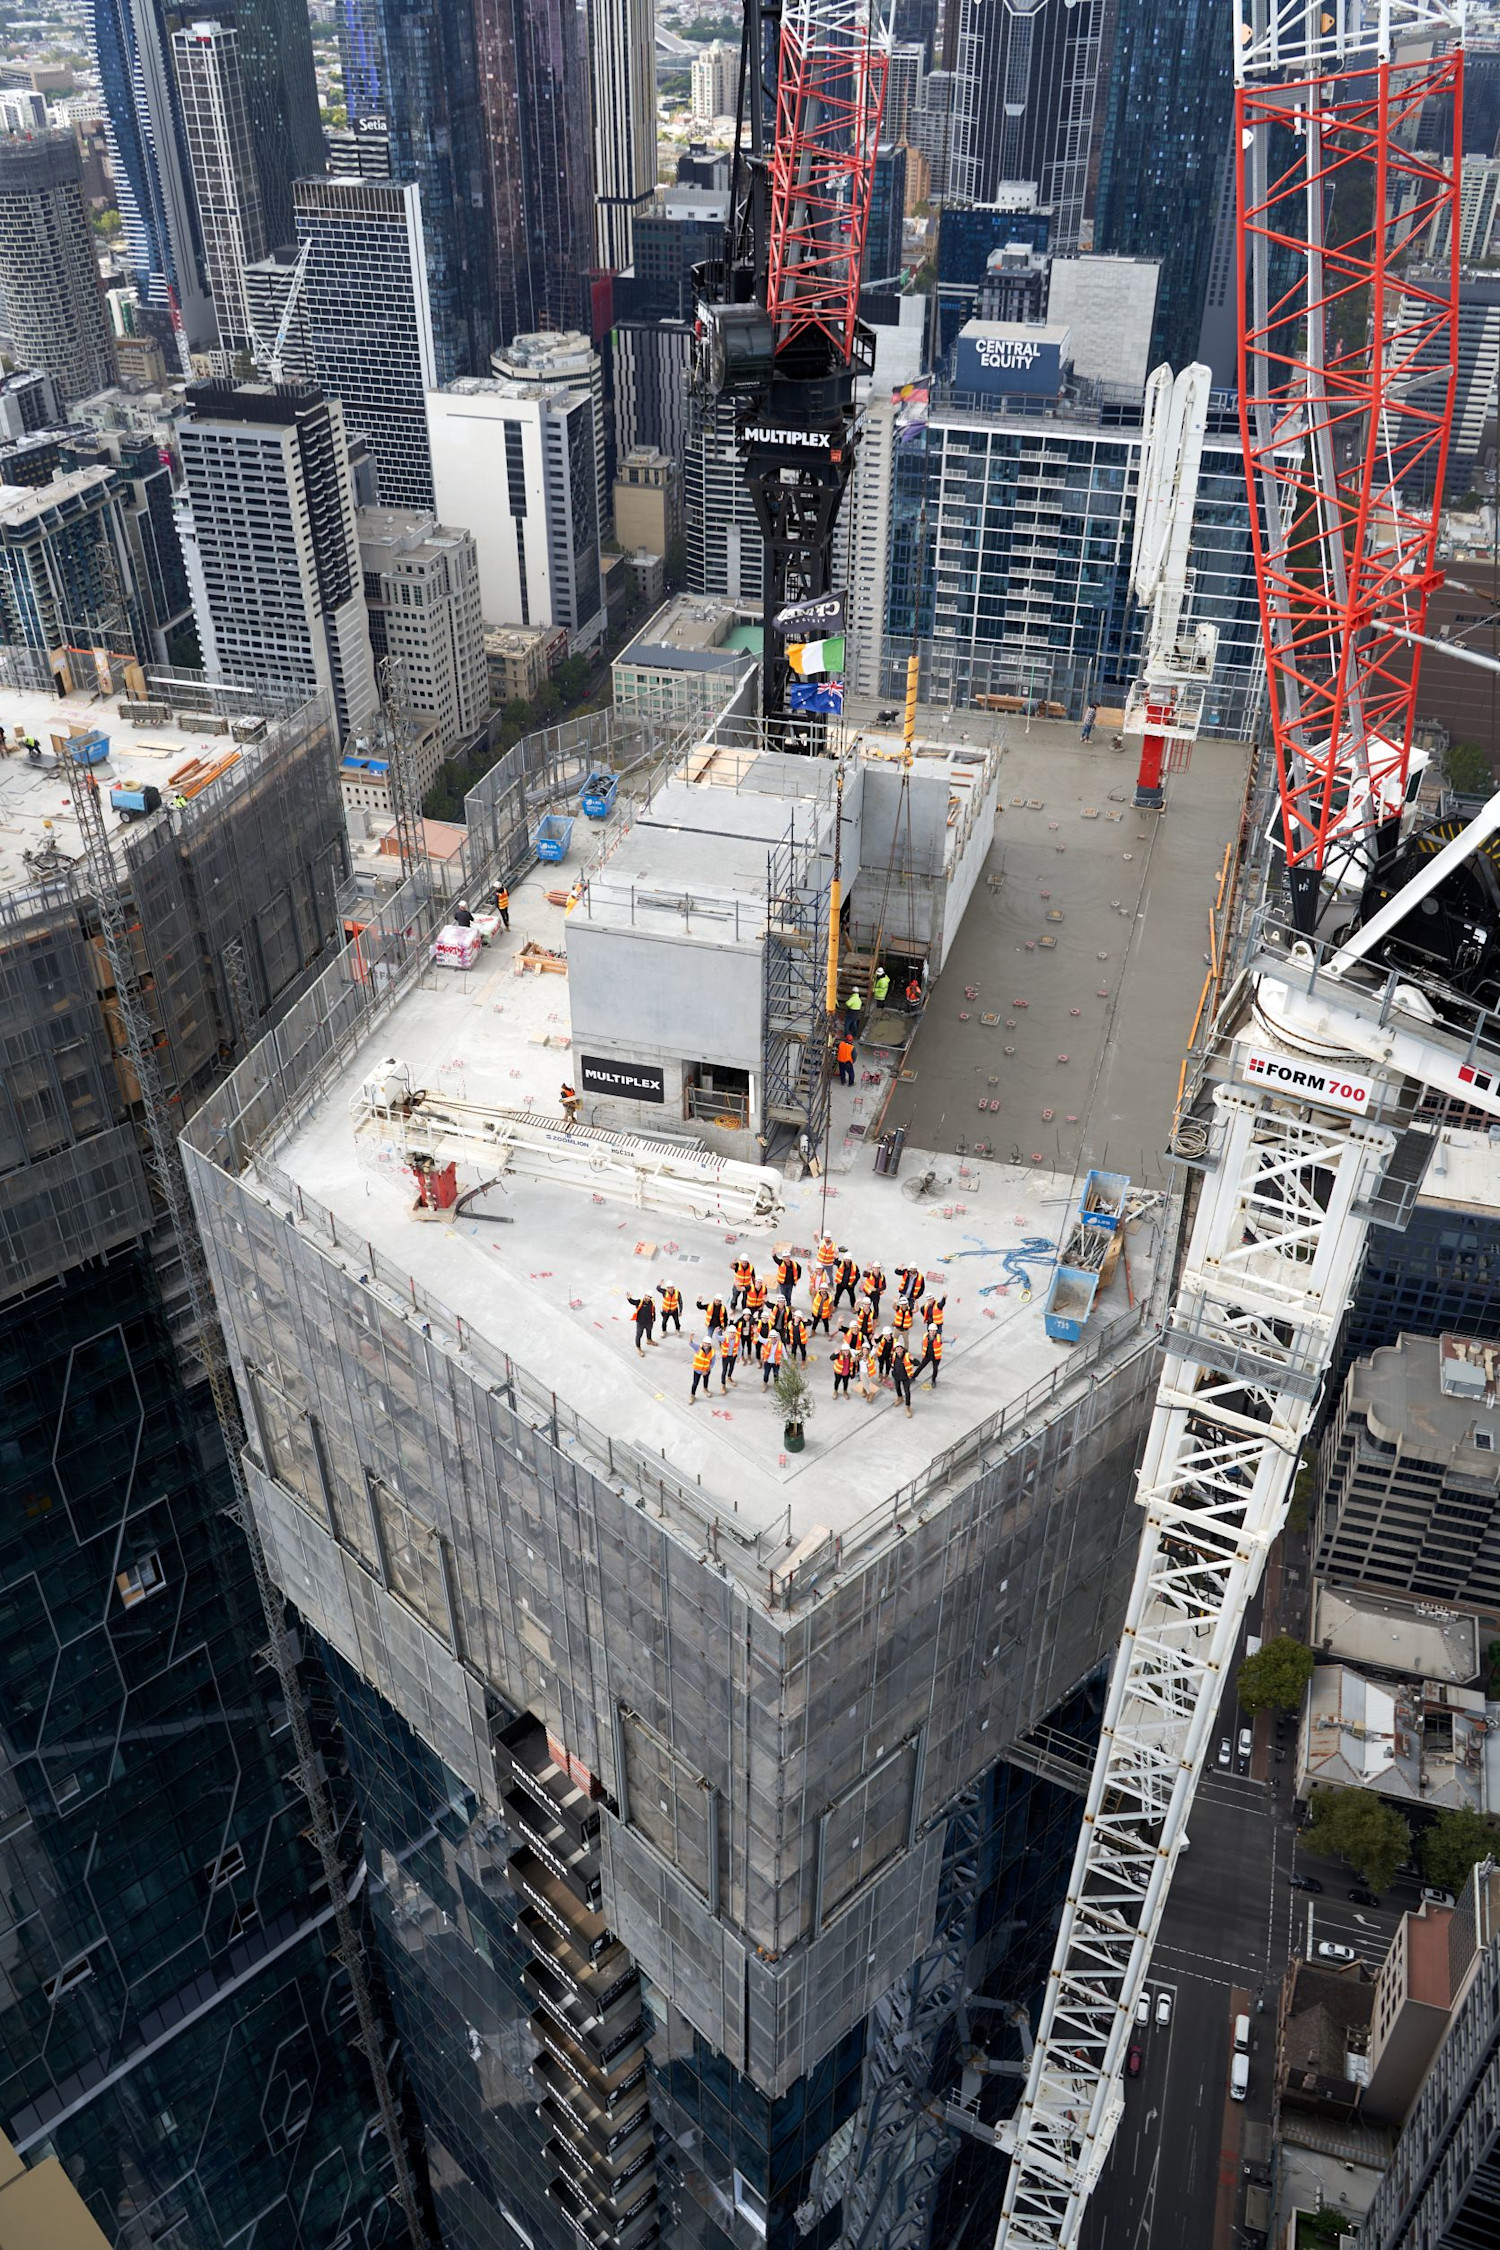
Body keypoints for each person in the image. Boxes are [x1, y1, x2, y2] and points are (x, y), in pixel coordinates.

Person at [892, 1343, 918, 1417]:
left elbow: (918, 1363)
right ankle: (900, 1398)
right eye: (897, 1350)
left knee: (907, 1392)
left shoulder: (907, 1356)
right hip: (896, 1376)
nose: (899, 1351)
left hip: (905, 1378)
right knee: (897, 1388)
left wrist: (913, 1359)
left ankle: (908, 1407)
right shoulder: (894, 1355)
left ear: (903, 1349)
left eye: (900, 1349)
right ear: (895, 1350)